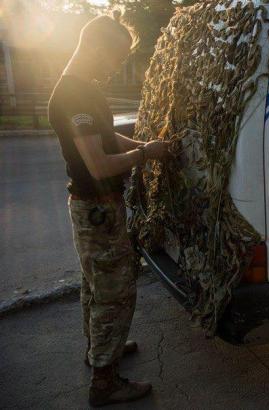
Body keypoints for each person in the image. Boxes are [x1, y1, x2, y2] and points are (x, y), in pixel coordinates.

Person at [48, 10, 169, 407]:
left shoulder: (83, 88)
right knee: (115, 292)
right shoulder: (74, 95)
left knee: (94, 285)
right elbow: (98, 164)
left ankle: (98, 349)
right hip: (96, 210)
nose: (116, 66)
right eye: (116, 57)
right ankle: (105, 381)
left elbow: (108, 137)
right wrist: (145, 155)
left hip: (93, 208)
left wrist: (142, 145)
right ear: (97, 47)